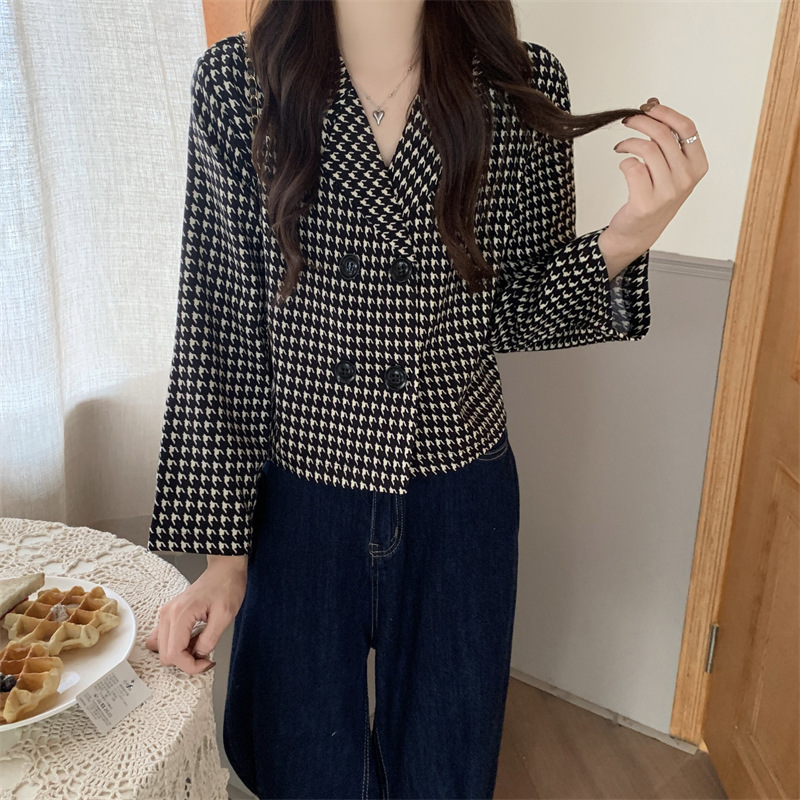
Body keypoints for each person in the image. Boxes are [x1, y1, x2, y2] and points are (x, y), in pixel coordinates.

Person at [144, 1, 708, 797]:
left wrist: (629, 236)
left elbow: (510, 311)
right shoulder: (240, 82)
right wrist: (224, 558)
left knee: (446, 764)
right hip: (303, 495)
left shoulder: (519, 81)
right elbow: (222, 324)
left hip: (460, 493)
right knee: (299, 759)